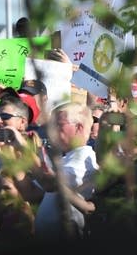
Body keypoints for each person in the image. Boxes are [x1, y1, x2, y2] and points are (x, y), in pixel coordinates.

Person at [32, 102, 98, 240]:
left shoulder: (83, 160)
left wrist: (26, 153)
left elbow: (49, 184)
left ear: (78, 127)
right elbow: (30, 192)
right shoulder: (67, 158)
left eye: (58, 125)